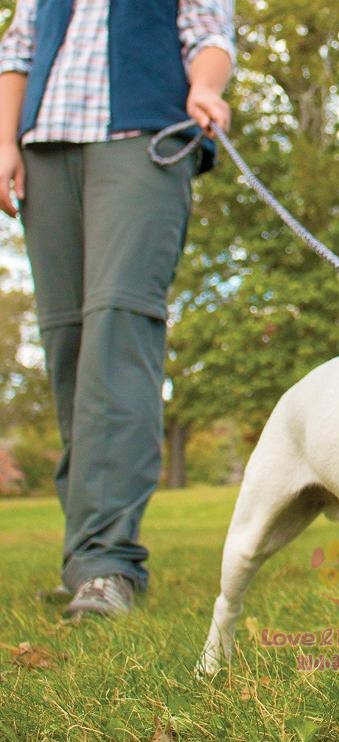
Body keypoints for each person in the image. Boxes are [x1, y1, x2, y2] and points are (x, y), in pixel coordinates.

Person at [0, 0, 235, 618]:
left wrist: (205, 89)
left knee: (117, 326)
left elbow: (210, 35)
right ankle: (85, 558)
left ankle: (109, 562)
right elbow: (18, 52)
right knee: (68, 344)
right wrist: (4, 142)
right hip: (45, 147)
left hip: (142, 143)